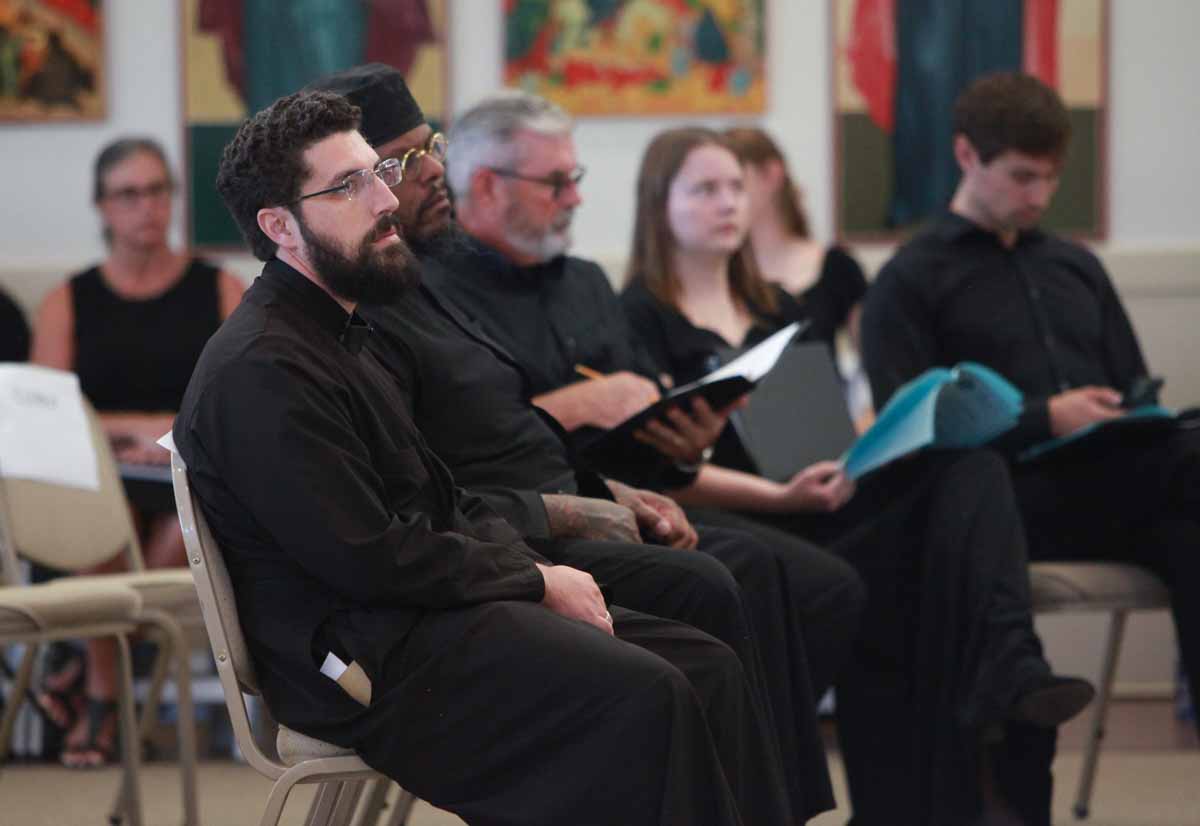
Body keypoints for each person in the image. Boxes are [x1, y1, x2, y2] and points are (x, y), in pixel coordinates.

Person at [175, 87, 793, 826]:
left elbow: (439, 500)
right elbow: (366, 556)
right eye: (347, 185)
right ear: (279, 225)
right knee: (646, 692)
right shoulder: (264, 367)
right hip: (363, 659)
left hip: (416, 613)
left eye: (378, 173)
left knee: (706, 665)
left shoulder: (341, 333)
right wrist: (535, 579)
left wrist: (535, 566)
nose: (384, 200)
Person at [618, 125, 1096, 826]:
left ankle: (1008, 670)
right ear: (660, 205)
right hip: (735, 521)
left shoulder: (776, 306)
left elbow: (815, 439)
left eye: (736, 187)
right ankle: (984, 712)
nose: (729, 203)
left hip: (817, 499)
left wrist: (883, 438)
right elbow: (658, 476)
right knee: (879, 580)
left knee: (970, 471)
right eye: (705, 189)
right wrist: (781, 493)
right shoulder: (637, 318)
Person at [426, 91, 864, 712]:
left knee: (801, 572)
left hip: (638, 496)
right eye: (556, 183)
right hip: (537, 516)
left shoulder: (585, 281)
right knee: (753, 571)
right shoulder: (436, 293)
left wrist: (685, 442)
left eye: (574, 178)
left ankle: (768, 762)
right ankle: (746, 756)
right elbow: (468, 436)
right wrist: (580, 403)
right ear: (487, 187)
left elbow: (646, 424)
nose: (575, 198)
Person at [862, 71, 1200, 739]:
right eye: (1021, 177)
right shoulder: (910, 279)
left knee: (1190, 507)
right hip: (1003, 504)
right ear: (966, 155)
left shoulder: (1076, 266)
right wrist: (1047, 417)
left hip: (1111, 484)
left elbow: (1134, 385)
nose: (1039, 197)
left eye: (1050, 178)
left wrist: (1128, 411)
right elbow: (909, 434)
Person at [29, 136, 243, 767]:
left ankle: (97, 685)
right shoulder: (68, 300)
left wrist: (169, 436)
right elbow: (46, 415)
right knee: (96, 512)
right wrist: (140, 428)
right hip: (99, 477)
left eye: (157, 191)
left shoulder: (220, 288)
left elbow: (241, 402)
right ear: (102, 206)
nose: (146, 207)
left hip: (190, 472)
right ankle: (109, 683)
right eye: (128, 194)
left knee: (190, 511)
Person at [722, 126, 873, 424]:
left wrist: (865, 423)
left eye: (736, 183)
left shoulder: (836, 266)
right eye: (711, 188)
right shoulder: (718, 274)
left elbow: (875, 358)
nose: (726, 200)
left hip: (824, 426)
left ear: (771, 175)